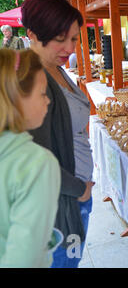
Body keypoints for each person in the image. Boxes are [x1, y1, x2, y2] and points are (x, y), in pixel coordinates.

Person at [21, 0, 95, 268]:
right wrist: (79, 189)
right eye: (59, 39)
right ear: (33, 35)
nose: (69, 48)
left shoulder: (54, 68)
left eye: (74, 38)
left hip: (71, 197)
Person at [0, 49, 60, 267]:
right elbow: (24, 259)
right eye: (42, 93)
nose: (48, 102)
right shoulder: (37, 164)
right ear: (16, 97)